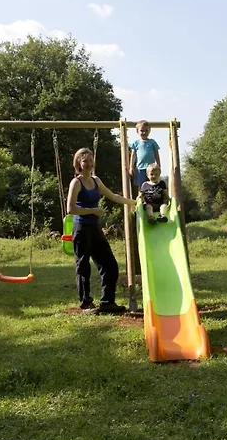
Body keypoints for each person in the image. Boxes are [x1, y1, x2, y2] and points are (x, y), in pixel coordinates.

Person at [67, 148, 136, 314]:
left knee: (110, 265)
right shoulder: (76, 182)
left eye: (91, 161)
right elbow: (71, 209)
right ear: (79, 163)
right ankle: (86, 304)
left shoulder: (96, 181)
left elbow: (113, 196)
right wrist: (92, 210)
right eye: (85, 161)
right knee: (83, 266)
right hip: (81, 229)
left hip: (95, 229)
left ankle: (107, 302)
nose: (89, 164)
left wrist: (133, 202)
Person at [129, 120, 161, 190]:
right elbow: (133, 156)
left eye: (146, 130)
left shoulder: (152, 142)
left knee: (152, 183)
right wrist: (131, 167)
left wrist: (158, 165)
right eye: (142, 130)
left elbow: (156, 154)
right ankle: (141, 196)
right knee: (141, 185)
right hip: (140, 168)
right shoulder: (136, 143)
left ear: (149, 131)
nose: (144, 132)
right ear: (137, 131)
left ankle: (151, 195)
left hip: (151, 168)